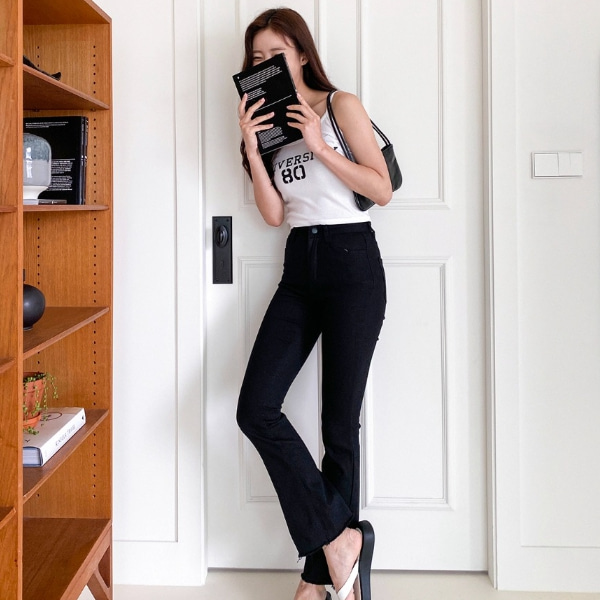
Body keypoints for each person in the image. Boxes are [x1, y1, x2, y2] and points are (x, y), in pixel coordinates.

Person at [235, 8, 391, 600]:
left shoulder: (340, 105)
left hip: (353, 262)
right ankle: (341, 542)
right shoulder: (268, 125)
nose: (266, 65)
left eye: (276, 54)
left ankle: (319, 578)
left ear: (300, 54)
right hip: (300, 265)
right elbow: (275, 214)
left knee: (338, 425)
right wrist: (254, 149)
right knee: (256, 408)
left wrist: (319, 145)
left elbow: (381, 189)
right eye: (256, 59)